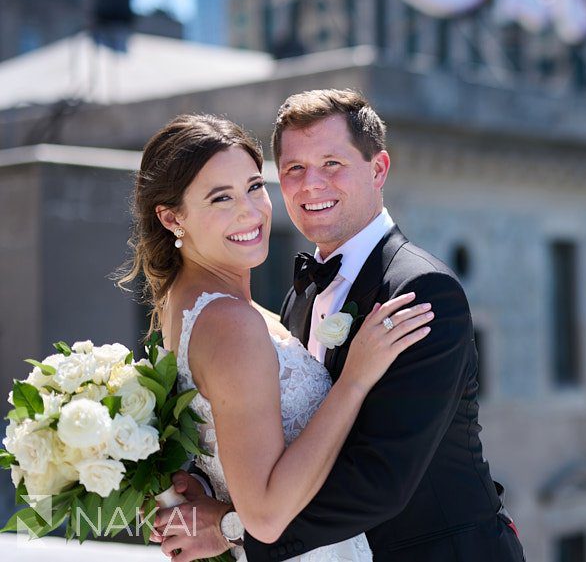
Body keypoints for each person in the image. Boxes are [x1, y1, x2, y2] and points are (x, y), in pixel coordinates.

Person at [156, 90, 525, 562]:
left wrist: (230, 528)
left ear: (378, 169)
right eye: (294, 169)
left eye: (332, 163)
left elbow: (380, 480)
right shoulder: (297, 298)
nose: (311, 185)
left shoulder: (421, 290)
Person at [121, 113, 433, 562]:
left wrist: (209, 491)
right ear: (172, 218)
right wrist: (355, 382)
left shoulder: (184, 304)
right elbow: (265, 516)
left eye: (253, 186)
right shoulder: (231, 323)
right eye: (221, 198)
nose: (250, 211)